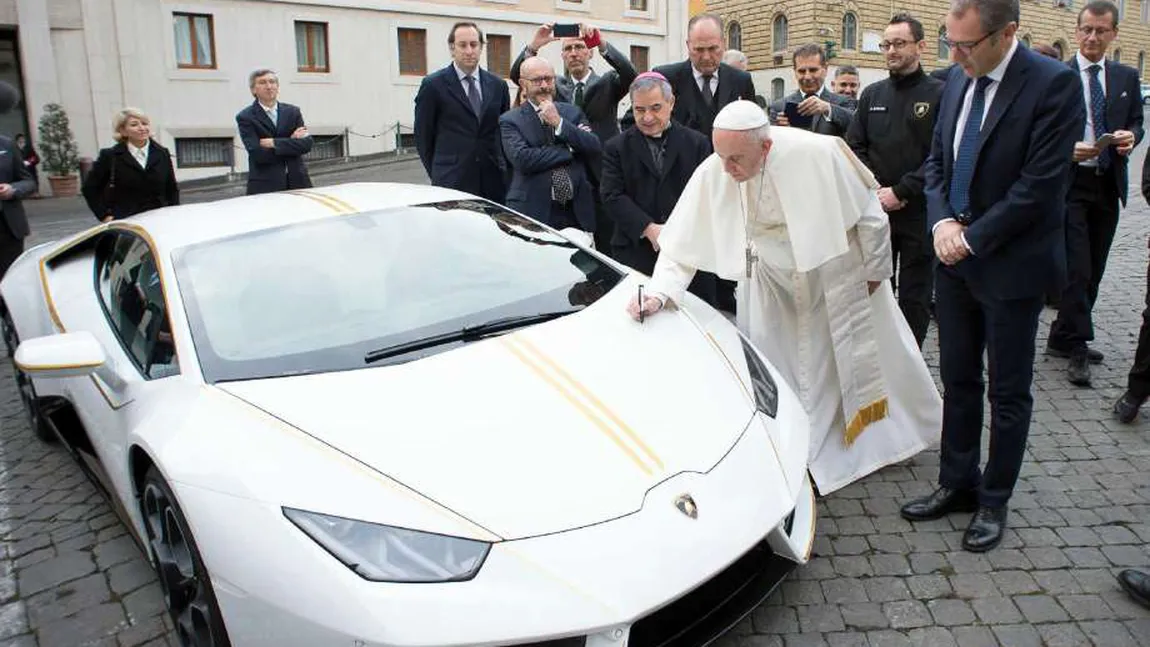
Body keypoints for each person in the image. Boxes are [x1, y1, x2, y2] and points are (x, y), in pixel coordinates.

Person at [627, 100, 941, 495]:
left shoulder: (820, 154)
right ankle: (792, 447)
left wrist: (875, 273)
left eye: (737, 159)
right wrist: (659, 293)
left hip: (831, 274)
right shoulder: (720, 166)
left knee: (836, 367)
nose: (728, 170)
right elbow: (681, 241)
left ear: (766, 147)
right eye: (721, 156)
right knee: (776, 368)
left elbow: (871, 217)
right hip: (770, 282)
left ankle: (871, 445)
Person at [900, 0, 1083, 552]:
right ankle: (956, 481)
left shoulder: (1052, 85)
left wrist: (970, 237)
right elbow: (936, 163)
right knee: (957, 379)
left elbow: (1040, 185)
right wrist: (940, 225)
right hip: (952, 260)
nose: (954, 56)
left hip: (1010, 266)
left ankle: (993, 498)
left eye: (965, 45)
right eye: (948, 44)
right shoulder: (958, 79)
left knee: (1007, 391)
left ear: (1008, 33)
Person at [1045, 1, 1144, 387]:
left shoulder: (1125, 77)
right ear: (1076, 30)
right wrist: (1066, 148)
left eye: (1101, 31)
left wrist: (1132, 136)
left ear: (1113, 34)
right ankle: (1079, 346)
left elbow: (1136, 120)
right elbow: (1042, 131)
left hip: (1108, 182)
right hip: (1069, 185)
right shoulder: (1057, 76)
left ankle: (1061, 335)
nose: (1092, 37)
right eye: (1086, 29)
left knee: (1096, 269)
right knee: (1077, 269)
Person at [847, 13, 944, 348]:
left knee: (915, 298)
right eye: (886, 44)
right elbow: (854, 145)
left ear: (920, 46)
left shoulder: (939, 94)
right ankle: (881, 356)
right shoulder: (872, 95)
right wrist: (877, 188)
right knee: (876, 289)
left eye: (899, 43)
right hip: (876, 212)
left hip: (918, 213)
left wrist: (902, 191)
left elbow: (940, 156)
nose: (891, 50)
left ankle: (911, 360)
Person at [509, 23, 636, 251]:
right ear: (562, 56)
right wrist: (534, 46)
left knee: (607, 241)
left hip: (602, 172)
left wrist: (601, 42)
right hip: (567, 176)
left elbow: (630, 74)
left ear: (589, 52)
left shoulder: (608, 82)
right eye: (568, 49)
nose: (574, 53)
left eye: (579, 47)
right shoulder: (553, 84)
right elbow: (520, 74)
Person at [600, 72, 718, 307]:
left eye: (655, 108)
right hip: (636, 251)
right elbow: (611, 195)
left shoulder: (697, 143)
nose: (647, 117)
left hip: (689, 252)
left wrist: (677, 230)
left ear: (671, 103)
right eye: (639, 110)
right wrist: (649, 228)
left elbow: (707, 195)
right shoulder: (616, 147)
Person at [500, 56, 601, 233]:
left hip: (576, 212)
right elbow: (523, 159)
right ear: (523, 84)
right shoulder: (510, 120)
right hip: (532, 211)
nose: (545, 85)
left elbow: (592, 146)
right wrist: (568, 150)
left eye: (549, 79)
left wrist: (559, 123)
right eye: (538, 80)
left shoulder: (572, 113)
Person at [415, 22, 510, 204]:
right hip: (451, 181)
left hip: (493, 181)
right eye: (463, 45)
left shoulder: (498, 86)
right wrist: (439, 172)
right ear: (452, 48)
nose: (469, 51)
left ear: (481, 47)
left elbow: (503, 133)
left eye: (474, 45)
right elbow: (423, 136)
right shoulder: (433, 85)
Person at [653, 14, 757, 140]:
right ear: (688, 46)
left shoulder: (741, 81)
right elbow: (635, 123)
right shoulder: (664, 79)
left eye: (713, 48)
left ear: (723, 44)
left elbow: (754, 127)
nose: (706, 57)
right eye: (699, 50)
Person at [81, 108, 179, 223]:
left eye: (144, 123)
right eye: (134, 125)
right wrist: (104, 216)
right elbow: (90, 188)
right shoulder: (110, 156)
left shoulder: (162, 153)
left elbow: (171, 189)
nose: (142, 128)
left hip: (159, 220)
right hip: (126, 223)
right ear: (123, 131)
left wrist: (173, 214)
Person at [235, 68, 313, 195]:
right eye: (262, 82)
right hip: (266, 186)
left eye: (272, 82)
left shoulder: (293, 112)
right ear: (253, 90)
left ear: (277, 87)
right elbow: (259, 154)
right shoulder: (245, 117)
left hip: (299, 182)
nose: (269, 86)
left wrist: (274, 143)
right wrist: (292, 142)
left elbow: (306, 145)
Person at [769, 44, 856, 138]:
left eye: (813, 70)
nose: (807, 77)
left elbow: (855, 126)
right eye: (802, 71)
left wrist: (828, 109)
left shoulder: (843, 102)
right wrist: (782, 132)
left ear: (825, 69)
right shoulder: (779, 107)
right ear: (794, 72)